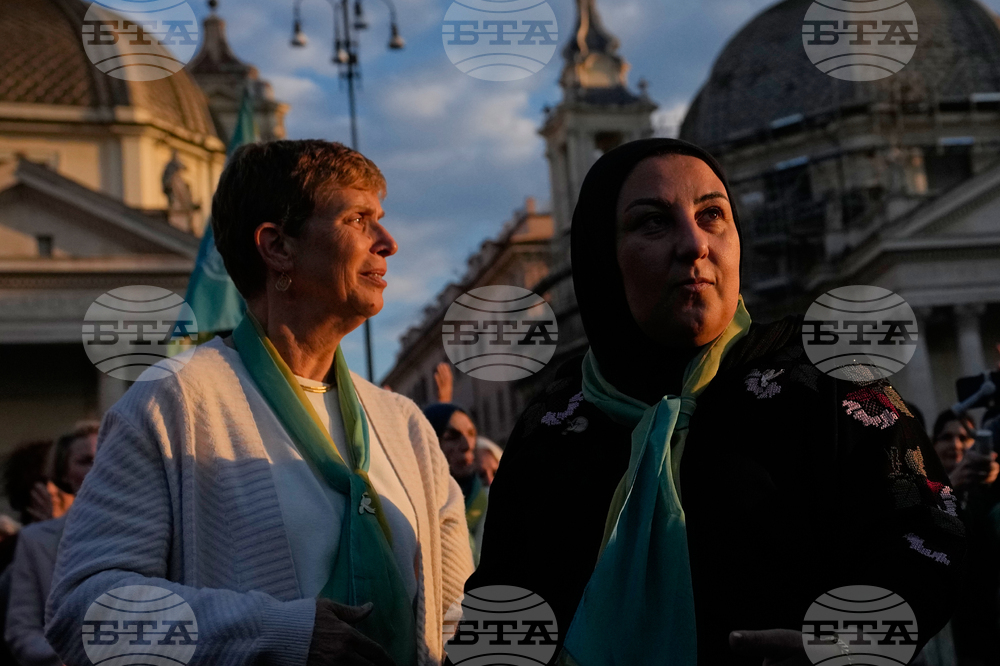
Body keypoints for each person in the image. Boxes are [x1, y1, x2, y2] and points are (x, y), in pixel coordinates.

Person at [466, 138, 965, 666]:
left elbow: (932, 536)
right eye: (653, 223)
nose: (695, 244)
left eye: (712, 215)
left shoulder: (828, 382)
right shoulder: (552, 427)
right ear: (600, 257)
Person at [46, 140, 474, 666]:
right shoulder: (173, 402)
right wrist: (278, 633)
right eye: (358, 220)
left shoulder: (405, 425)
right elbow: (85, 611)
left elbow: (458, 611)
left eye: (380, 219)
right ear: (277, 248)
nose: (387, 242)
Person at [6, 422, 98, 666]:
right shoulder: (36, 541)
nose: (98, 467)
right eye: (85, 461)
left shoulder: (157, 530)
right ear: (63, 473)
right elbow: (21, 629)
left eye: (107, 455)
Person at [931, 410, 1000, 665]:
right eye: (946, 437)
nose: (956, 445)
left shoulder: (990, 492)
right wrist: (950, 485)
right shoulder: (919, 493)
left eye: (965, 437)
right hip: (950, 640)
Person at [422, 404, 487, 566]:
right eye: (452, 436)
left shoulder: (488, 501)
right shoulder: (416, 510)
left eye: (471, 434)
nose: (467, 445)